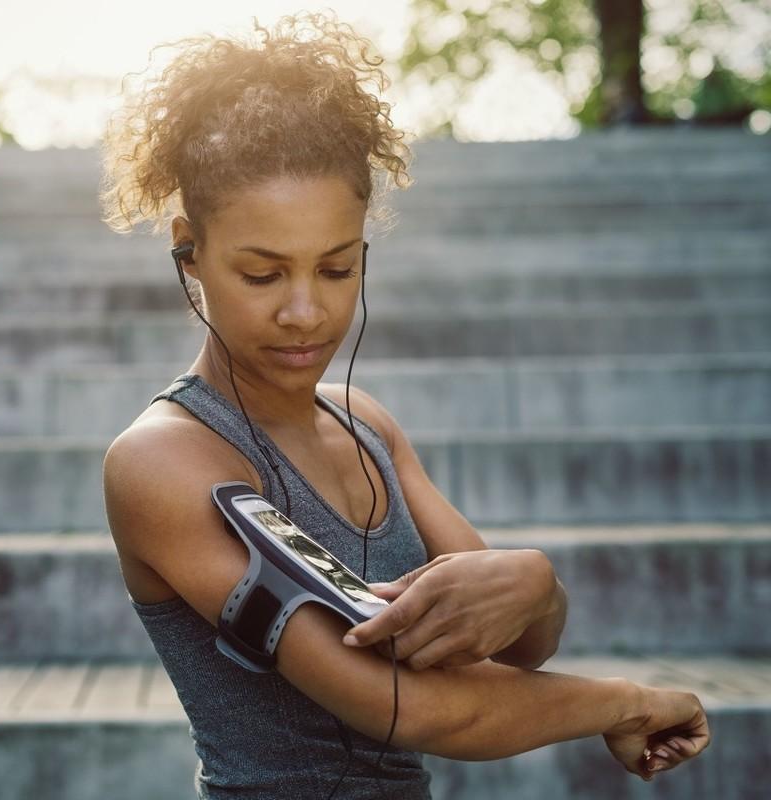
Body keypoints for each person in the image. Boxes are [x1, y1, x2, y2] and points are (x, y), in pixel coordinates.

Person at [98, 10, 709, 799]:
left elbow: (519, 644)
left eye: (337, 268)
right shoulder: (163, 460)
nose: (305, 311)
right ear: (190, 250)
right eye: (262, 274)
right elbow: (409, 707)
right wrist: (629, 702)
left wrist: (534, 583)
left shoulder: (366, 424)